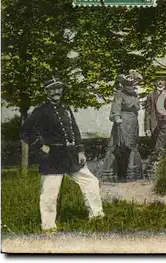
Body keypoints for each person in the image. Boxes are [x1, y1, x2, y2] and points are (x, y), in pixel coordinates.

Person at [20, 77, 104, 232]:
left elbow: (74, 129)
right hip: (52, 157)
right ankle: (48, 227)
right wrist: (40, 147)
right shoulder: (40, 111)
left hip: (71, 155)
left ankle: (97, 216)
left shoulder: (66, 108)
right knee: (50, 192)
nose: (56, 92)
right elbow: (25, 132)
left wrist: (80, 150)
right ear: (46, 92)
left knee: (91, 181)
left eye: (58, 88)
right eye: (52, 89)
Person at [101, 70, 143, 182]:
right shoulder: (120, 93)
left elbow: (136, 109)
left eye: (132, 84)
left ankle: (133, 174)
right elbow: (116, 108)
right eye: (128, 84)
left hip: (133, 123)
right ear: (123, 84)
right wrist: (117, 117)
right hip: (122, 123)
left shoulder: (135, 94)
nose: (130, 86)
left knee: (132, 147)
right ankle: (114, 174)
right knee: (120, 146)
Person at [144, 70, 166, 179]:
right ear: (155, 82)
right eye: (158, 80)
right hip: (155, 124)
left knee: (160, 145)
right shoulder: (151, 95)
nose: (160, 82)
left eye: (163, 80)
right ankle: (152, 169)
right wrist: (147, 128)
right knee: (156, 145)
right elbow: (148, 113)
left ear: (165, 82)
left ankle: (153, 170)